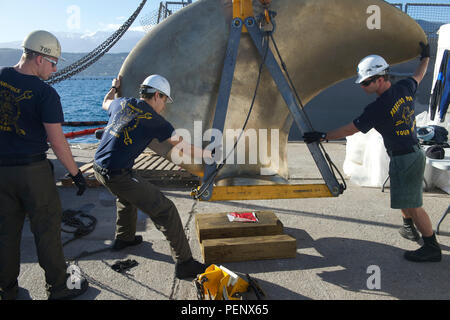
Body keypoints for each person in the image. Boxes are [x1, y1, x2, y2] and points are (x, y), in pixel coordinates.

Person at [303, 42, 442, 263]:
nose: (362, 86)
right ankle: (408, 228)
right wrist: (425, 59)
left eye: (366, 82)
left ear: (380, 79)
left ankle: (432, 246)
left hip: (406, 157)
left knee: (414, 204)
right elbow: (419, 75)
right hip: (408, 154)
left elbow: (351, 129)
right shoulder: (404, 87)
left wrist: (323, 136)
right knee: (404, 196)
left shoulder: (379, 108)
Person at [94, 74, 211, 279]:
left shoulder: (122, 103)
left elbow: (105, 102)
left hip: (98, 168)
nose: (164, 106)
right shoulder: (156, 121)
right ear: (157, 95)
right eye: (164, 100)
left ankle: (125, 238)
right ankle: (185, 263)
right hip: (116, 174)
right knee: (166, 210)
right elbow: (182, 146)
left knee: (127, 193)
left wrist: (114, 87)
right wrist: (209, 155)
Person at [0, 30, 88, 300]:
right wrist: (76, 174)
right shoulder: (44, 93)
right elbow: (58, 143)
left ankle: (7, 289)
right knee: (47, 230)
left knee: (5, 232)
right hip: (33, 173)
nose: (55, 68)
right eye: (53, 62)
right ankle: (59, 287)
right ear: (39, 58)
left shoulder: (1, 76)